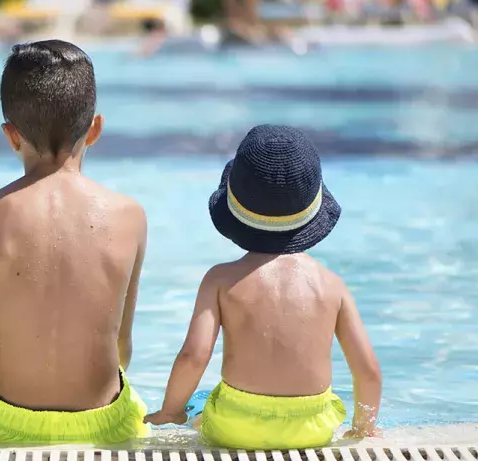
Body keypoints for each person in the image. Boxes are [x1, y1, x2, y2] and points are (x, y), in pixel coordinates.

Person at [0, 40, 151, 445]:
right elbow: (121, 347)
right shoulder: (130, 216)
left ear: (10, 135)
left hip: (4, 421)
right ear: (95, 129)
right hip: (105, 423)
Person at [144, 125, 382, 450]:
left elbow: (193, 356)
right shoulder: (332, 286)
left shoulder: (221, 279)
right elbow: (367, 370)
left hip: (236, 426)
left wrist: (170, 412)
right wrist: (363, 428)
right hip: (312, 429)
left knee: (198, 401)